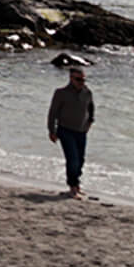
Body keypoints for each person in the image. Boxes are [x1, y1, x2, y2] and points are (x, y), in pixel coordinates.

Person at [48, 67, 95, 198]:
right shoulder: (61, 93)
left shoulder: (87, 92)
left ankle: (77, 184)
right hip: (65, 130)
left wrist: (90, 122)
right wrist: (52, 130)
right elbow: (52, 113)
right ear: (71, 79)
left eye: (83, 79)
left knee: (80, 160)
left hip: (81, 131)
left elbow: (91, 108)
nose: (81, 82)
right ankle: (72, 187)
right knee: (72, 159)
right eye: (78, 79)